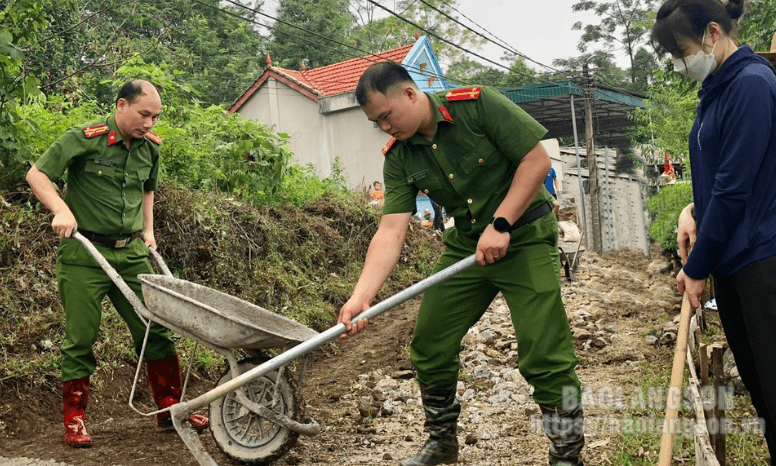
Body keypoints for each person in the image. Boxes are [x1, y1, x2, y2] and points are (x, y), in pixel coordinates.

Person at [338, 62, 584, 466]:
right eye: (375, 122)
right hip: (468, 248)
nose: (384, 127)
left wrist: (501, 223)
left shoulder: (477, 105)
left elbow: (537, 162)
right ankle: (442, 442)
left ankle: (568, 455)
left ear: (410, 94)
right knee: (429, 343)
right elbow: (391, 231)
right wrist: (361, 297)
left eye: (386, 116)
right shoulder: (399, 157)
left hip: (524, 237)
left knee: (544, 352)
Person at [25, 80, 209, 448]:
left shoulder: (150, 149)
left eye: (155, 117)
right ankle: (74, 419)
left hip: (131, 254)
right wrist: (61, 210)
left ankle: (169, 409)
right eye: (144, 115)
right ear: (121, 105)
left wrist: (149, 230)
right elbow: (36, 174)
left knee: (154, 327)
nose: (150, 124)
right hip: (84, 255)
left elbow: (147, 190)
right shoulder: (85, 138)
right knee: (82, 337)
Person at [652, 0, 776, 462]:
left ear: (712, 33)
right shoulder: (718, 89)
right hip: (738, 263)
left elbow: (734, 188)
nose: (678, 63)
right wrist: (692, 211)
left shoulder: (751, 85)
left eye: (680, 50)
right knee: (765, 398)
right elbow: (720, 176)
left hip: (763, 262)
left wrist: (697, 265)